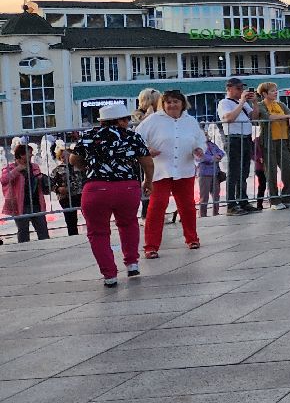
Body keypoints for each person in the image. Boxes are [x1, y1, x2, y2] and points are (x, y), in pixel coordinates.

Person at [70, 102, 154, 285]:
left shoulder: (88, 136)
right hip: (127, 187)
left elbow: (73, 159)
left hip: (96, 189)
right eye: (127, 119)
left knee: (98, 232)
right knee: (128, 224)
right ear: (121, 120)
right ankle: (132, 264)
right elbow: (147, 161)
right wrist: (148, 181)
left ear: (103, 122)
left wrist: (88, 167)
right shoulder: (132, 136)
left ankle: (110, 276)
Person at [136, 90, 208, 256]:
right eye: (168, 102)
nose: (172, 105)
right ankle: (151, 246)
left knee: (187, 206)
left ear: (183, 103)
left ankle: (192, 238)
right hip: (161, 171)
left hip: (184, 169)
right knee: (156, 206)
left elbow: (200, 140)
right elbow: (136, 138)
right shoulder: (153, 120)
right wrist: (147, 149)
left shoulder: (190, 121)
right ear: (163, 104)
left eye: (176, 101)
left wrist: (199, 149)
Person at [252, 83, 290, 209]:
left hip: (283, 140)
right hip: (268, 142)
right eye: (272, 91)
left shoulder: (281, 105)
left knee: (289, 168)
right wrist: (288, 116)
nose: (276, 93)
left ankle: (288, 197)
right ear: (264, 94)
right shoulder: (261, 105)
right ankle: (274, 200)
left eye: (276, 90)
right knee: (271, 171)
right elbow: (269, 117)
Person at [217, 77, 257, 214]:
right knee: (234, 171)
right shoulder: (224, 103)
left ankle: (243, 201)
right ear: (229, 89)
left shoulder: (242, 103)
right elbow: (229, 118)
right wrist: (241, 103)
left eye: (242, 88)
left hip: (246, 138)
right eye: (238, 88)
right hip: (233, 139)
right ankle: (231, 204)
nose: (241, 91)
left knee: (244, 171)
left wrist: (255, 103)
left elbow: (254, 117)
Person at [2, 142, 49, 242]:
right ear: (21, 155)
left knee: (43, 231)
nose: (31, 155)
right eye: (29, 153)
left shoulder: (35, 166)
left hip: (36, 203)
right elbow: (4, 180)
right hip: (21, 205)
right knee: (23, 232)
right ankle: (24, 251)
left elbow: (39, 181)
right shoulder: (10, 167)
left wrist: (41, 179)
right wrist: (17, 169)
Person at [50, 142, 80, 236]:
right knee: (71, 221)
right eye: (62, 157)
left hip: (81, 194)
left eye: (67, 155)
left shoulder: (79, 166)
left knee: (90, 217)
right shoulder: (57, 170)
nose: (65, 158)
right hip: (66, 198)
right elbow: (49, 184)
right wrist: (58, 189)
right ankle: (73, 237)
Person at [196, 133, 225, 217]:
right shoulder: (198, 147)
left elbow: (221, 152)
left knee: (216, 194)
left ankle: (216, 212)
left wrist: (219, 156)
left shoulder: (212, 144)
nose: (207, 136)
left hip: (215, 173)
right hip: (204, 173)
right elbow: (201, 157)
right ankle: (203, 214)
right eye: (204, 135)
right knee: (204, 196)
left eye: (206, 134)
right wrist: (213, 158)